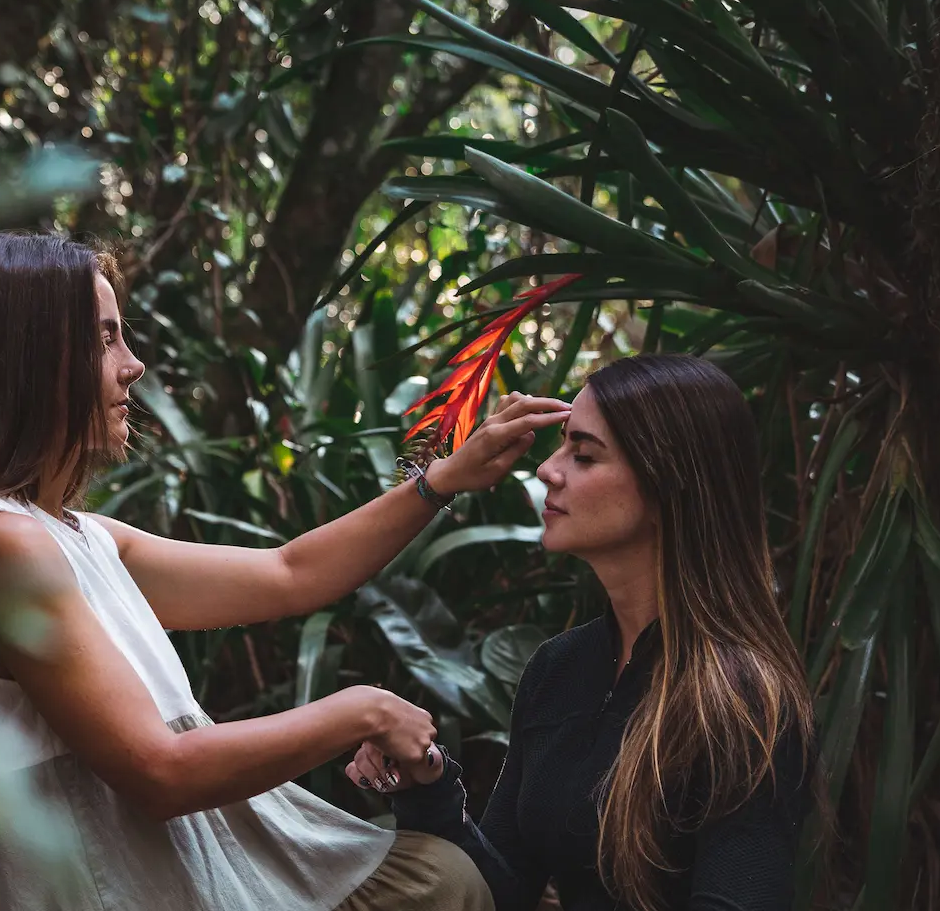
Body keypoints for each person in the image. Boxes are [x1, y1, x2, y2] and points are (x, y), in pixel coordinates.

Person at [0, 230, 572, 911]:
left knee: (444, 878)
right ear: (31, 362)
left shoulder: (75, 537)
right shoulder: (3, 545)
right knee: (442, 884)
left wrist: (442, 479)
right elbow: (159, 772)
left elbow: (291, 573)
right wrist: (357, 711)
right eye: (105, 340)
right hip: (95, 884)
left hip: (149, 870)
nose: (132, 366)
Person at [346, 354, 818, 911]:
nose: (548, 469)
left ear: (669, 486)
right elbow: (500, 891)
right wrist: (428, 788)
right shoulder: (559, 668)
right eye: (562, 444)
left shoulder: (742, 699)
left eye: (584, 454)